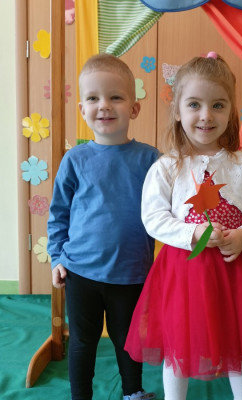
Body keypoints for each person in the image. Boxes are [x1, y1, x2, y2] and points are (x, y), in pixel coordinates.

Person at [124, 52, 242, 400]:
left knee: (240, 340)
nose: (206, 115)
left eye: (218, 105)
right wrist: (193, 233)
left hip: (237, 271)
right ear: (178, 110)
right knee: (179, 342)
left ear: (232, 111)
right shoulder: (167, 167)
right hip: (184, 272)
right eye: (194, 105)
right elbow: (153, 218)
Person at [47, 53, 158, 400]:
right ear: (82, 110)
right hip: (80, 272)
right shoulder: (74, 160)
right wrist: (56, 256)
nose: (104, 106)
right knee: (83, 341)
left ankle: (133, 392)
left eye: (115, 97)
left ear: (134, 109)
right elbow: (58, 213)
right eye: (93, 98)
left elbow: (170, 207)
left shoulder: (151, 160)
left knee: (129, 340)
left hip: (131, 273)